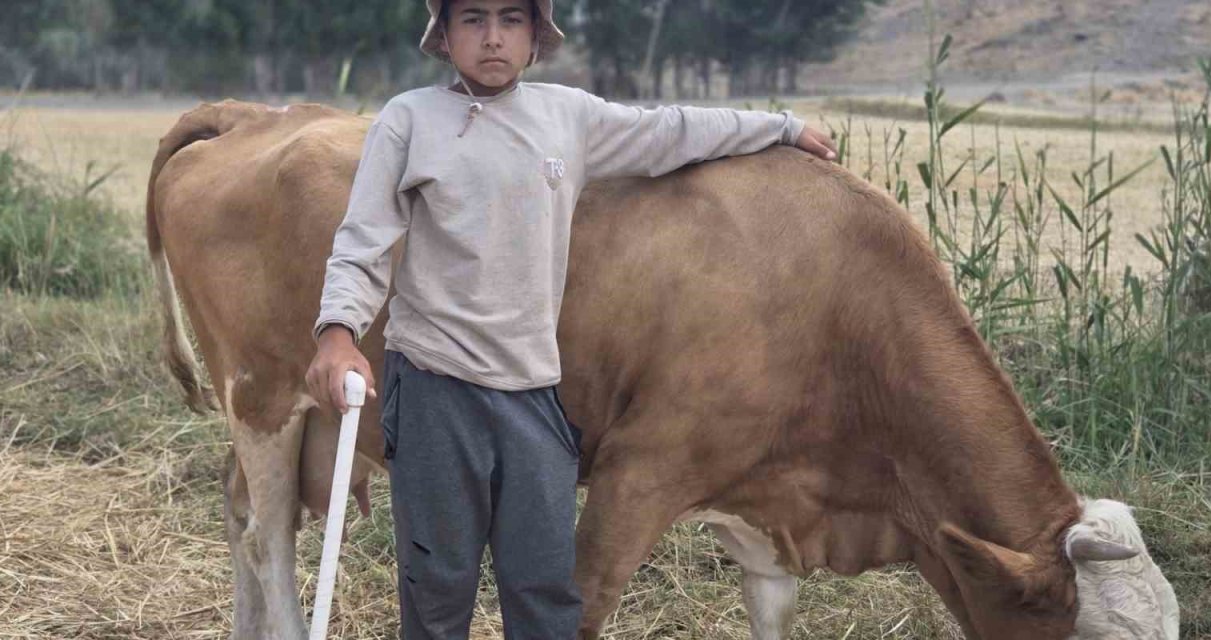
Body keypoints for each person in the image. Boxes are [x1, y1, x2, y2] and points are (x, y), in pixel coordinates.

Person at [305, 0, 839, 637]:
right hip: (434, 390)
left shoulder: (569, 116)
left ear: (537, 35)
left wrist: (780, 128)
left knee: (544, 589)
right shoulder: (410, 120)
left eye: (511, 19)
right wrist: (338, 332)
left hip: (532, 393)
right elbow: (363, 239)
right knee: (437, 588)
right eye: (472, 19)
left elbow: (673, 130)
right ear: (443, 35)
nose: (493, 38)